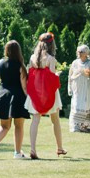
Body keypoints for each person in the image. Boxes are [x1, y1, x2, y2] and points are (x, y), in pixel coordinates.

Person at [23, 32, 66, 160]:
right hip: (49, 92)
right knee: (55, 120)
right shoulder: (51, 59)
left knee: (35, 119)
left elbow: (31, 73)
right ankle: (59, 147)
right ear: (51, 44)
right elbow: (51, 77)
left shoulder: (32, 57)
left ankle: (32, 149)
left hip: (36, 92)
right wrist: (58, 74)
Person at [0, 40, 25, 159]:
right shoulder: (20, 65)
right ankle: (17, 153)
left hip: (3, 96)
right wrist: (29, 98)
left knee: (4, 126)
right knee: (19, 126)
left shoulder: (0, 63)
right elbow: (24, 85)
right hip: (18, 97)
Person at [67, 43, 90, 133]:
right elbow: (70, 75)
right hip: (78, 89)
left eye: (81, 51)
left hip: (87, 90)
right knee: (76, 105)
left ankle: (88, 126)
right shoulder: (75, 63)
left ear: (86, 53)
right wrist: (70, 86)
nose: (79, 53)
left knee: (85, 106)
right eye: (78, 51)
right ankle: (75, 127)